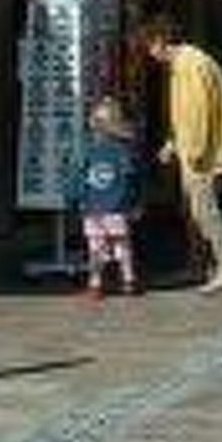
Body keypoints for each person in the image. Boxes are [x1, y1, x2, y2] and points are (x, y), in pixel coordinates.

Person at [139, 15, 222, 294]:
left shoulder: (190, 64)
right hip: (194, 149)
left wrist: (193, 149)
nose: (150, 54)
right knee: (195, 210)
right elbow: (186, 112)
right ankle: (207, 264)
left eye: (149, 47)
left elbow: (197, 112)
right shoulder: (184, 63)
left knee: (205, 210)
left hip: (201, 152)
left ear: (160, 41)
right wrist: (173, 143)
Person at [66, 97, 143, 300]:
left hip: (93, 208)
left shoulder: (86, 150)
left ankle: (96, 284)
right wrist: (135, 203)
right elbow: (131, 178)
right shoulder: (123, 152)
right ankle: (129, 280)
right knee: (122, 245)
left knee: (96, 248)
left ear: (93, 124)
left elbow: (76, 177)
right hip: (118, 207)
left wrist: (72, 198)